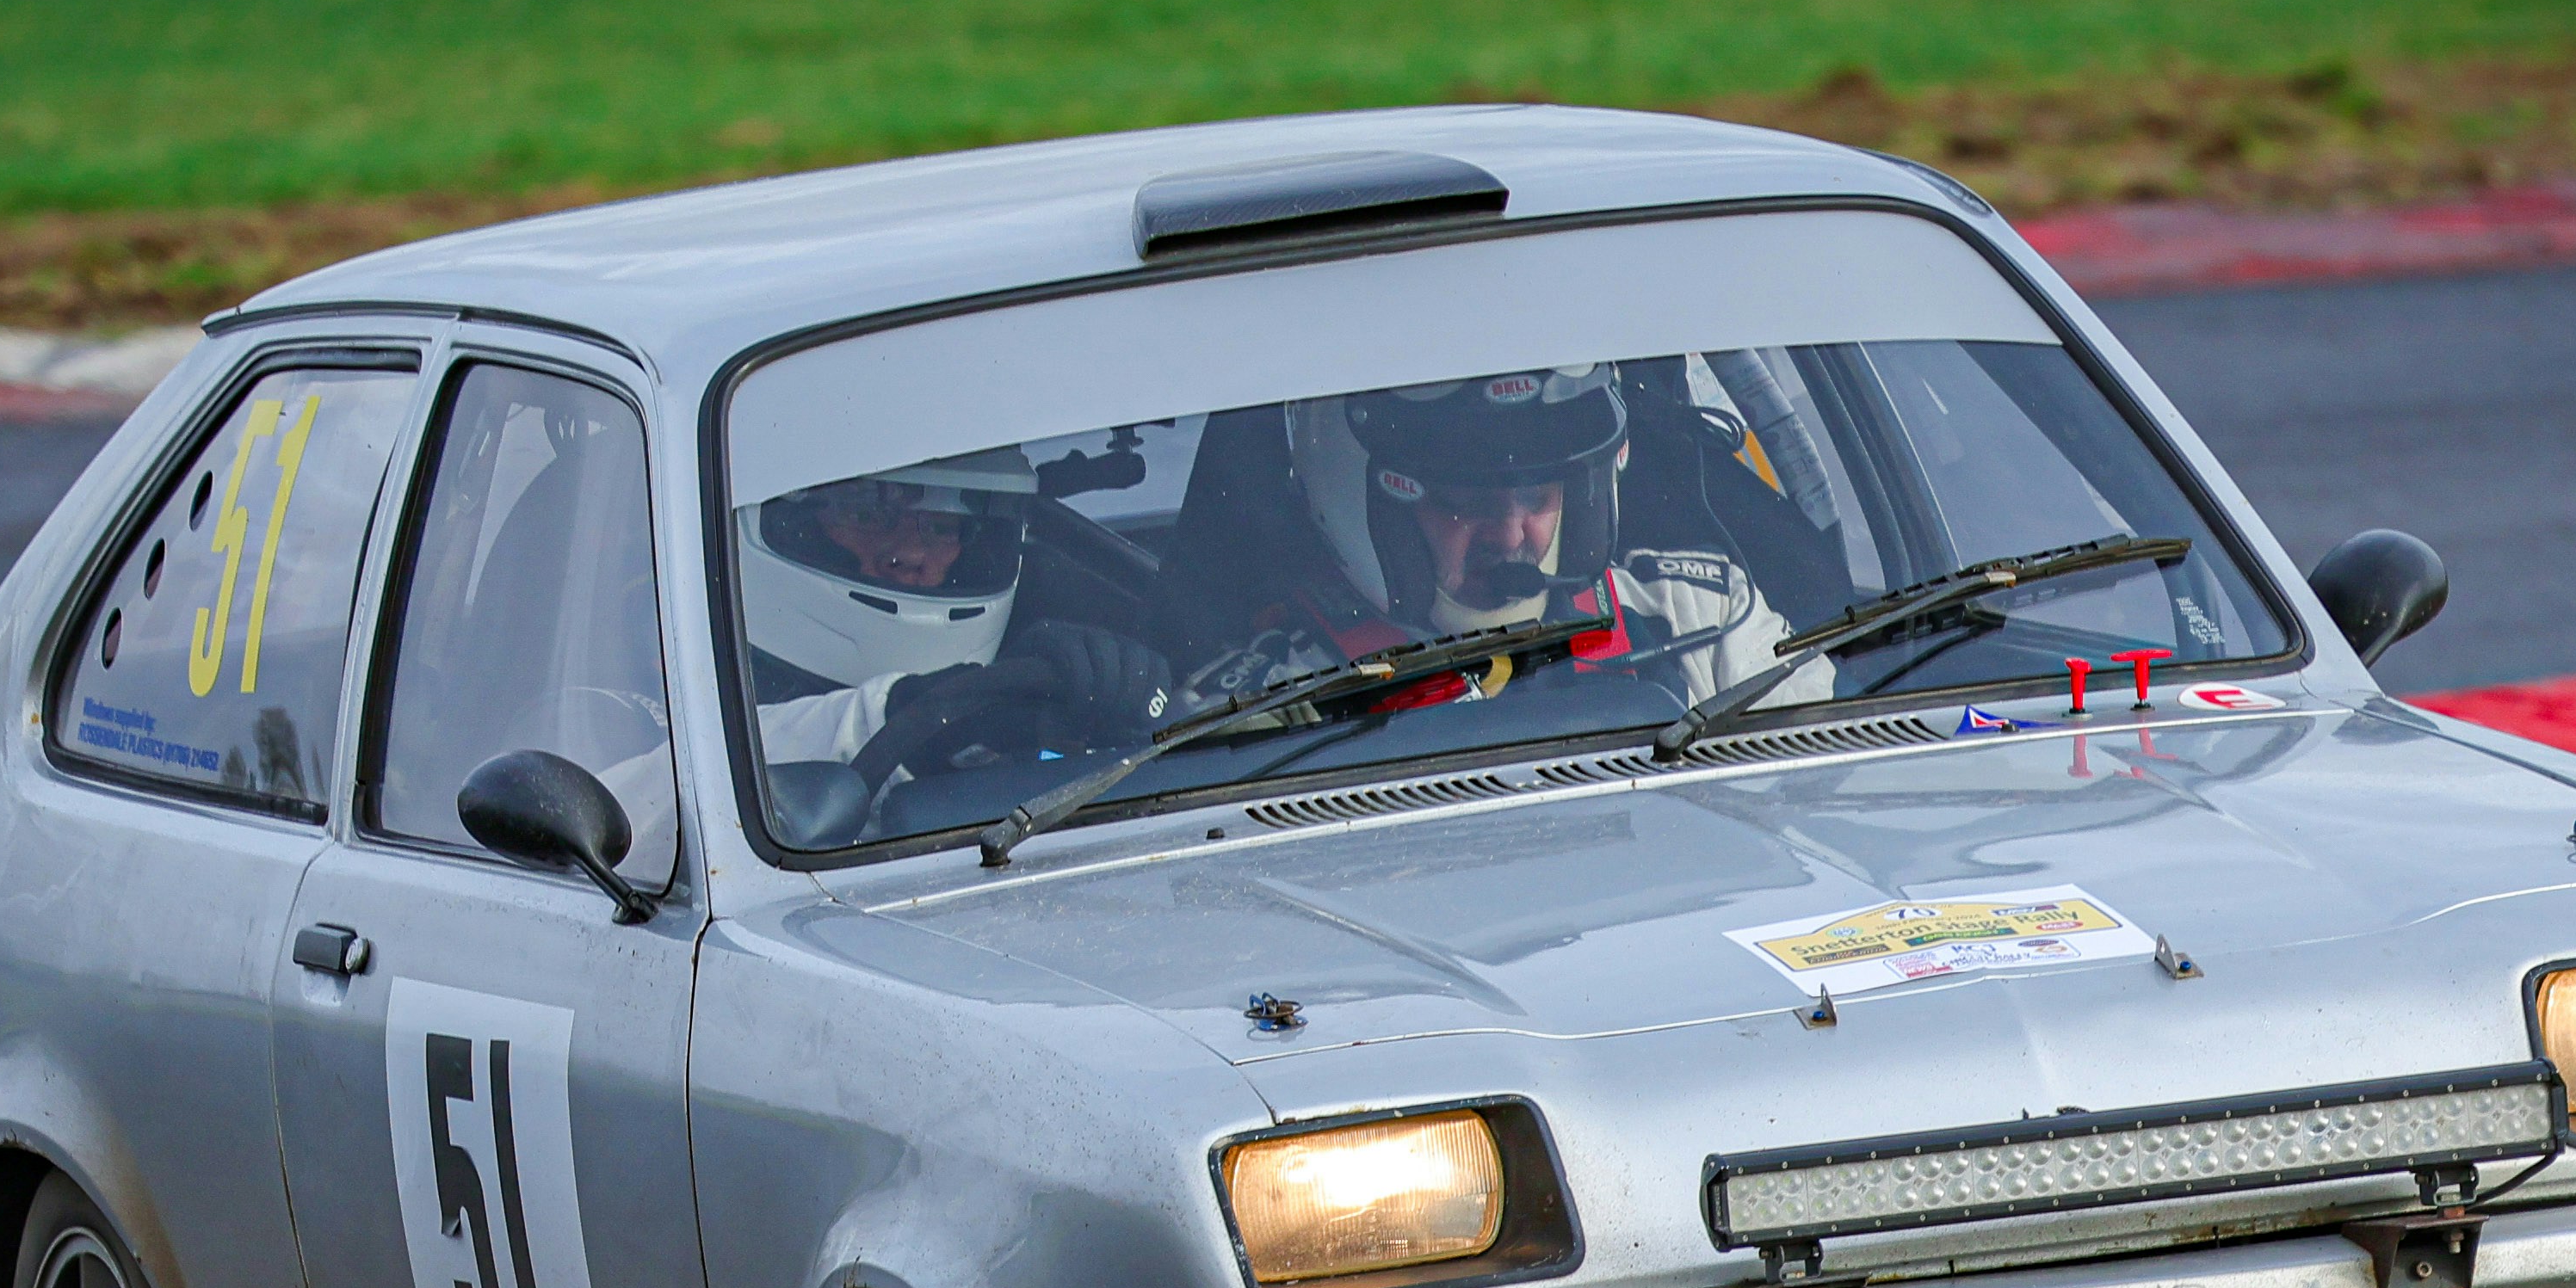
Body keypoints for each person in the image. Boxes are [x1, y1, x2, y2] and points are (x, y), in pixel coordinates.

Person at [1176, 366, 1819, 721]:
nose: (1513, 535)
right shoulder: (1270, 706)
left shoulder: (1701, 622)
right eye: (1463, 504)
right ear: (1356, 499)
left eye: (1539, 497)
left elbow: (1820, 805)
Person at [740, 447, 1176, 842]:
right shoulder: (687, 642)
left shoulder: (1046, 639)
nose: (911, 552)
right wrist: (914, 718)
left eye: (942, 524)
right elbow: (686, 793)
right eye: (867, 517)